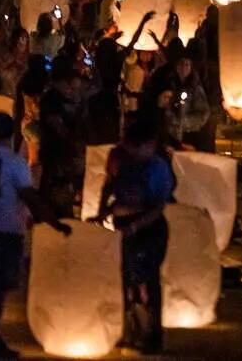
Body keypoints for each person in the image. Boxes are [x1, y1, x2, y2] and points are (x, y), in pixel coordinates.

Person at [0, 112, 71, 359]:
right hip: (5, 230)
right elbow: (29, 196)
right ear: (12, 132)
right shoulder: (16, 162)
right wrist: (54, 223)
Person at [95, 119, 175, 354]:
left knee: (147, 282)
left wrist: (136, 225)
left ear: (148, 144)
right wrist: (106, 211)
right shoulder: (128, 162)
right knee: (128, 280)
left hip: (147, 230)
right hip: (128, 228)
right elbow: (115, 190)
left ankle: (152, 335)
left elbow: (157, 206)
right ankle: (132, 332)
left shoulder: (157, 167)